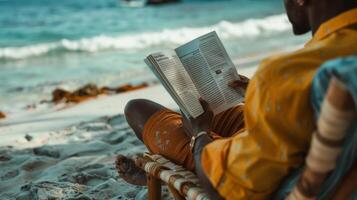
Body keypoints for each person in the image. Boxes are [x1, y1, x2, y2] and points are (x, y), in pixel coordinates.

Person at [116, 0, 357, 199]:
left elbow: (224, 189)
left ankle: (164, 165)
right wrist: (261, 93)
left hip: (268, 177)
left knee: (138, 109)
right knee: (212, 106)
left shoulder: (286, 72)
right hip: (312, 146)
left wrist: (199, 134)